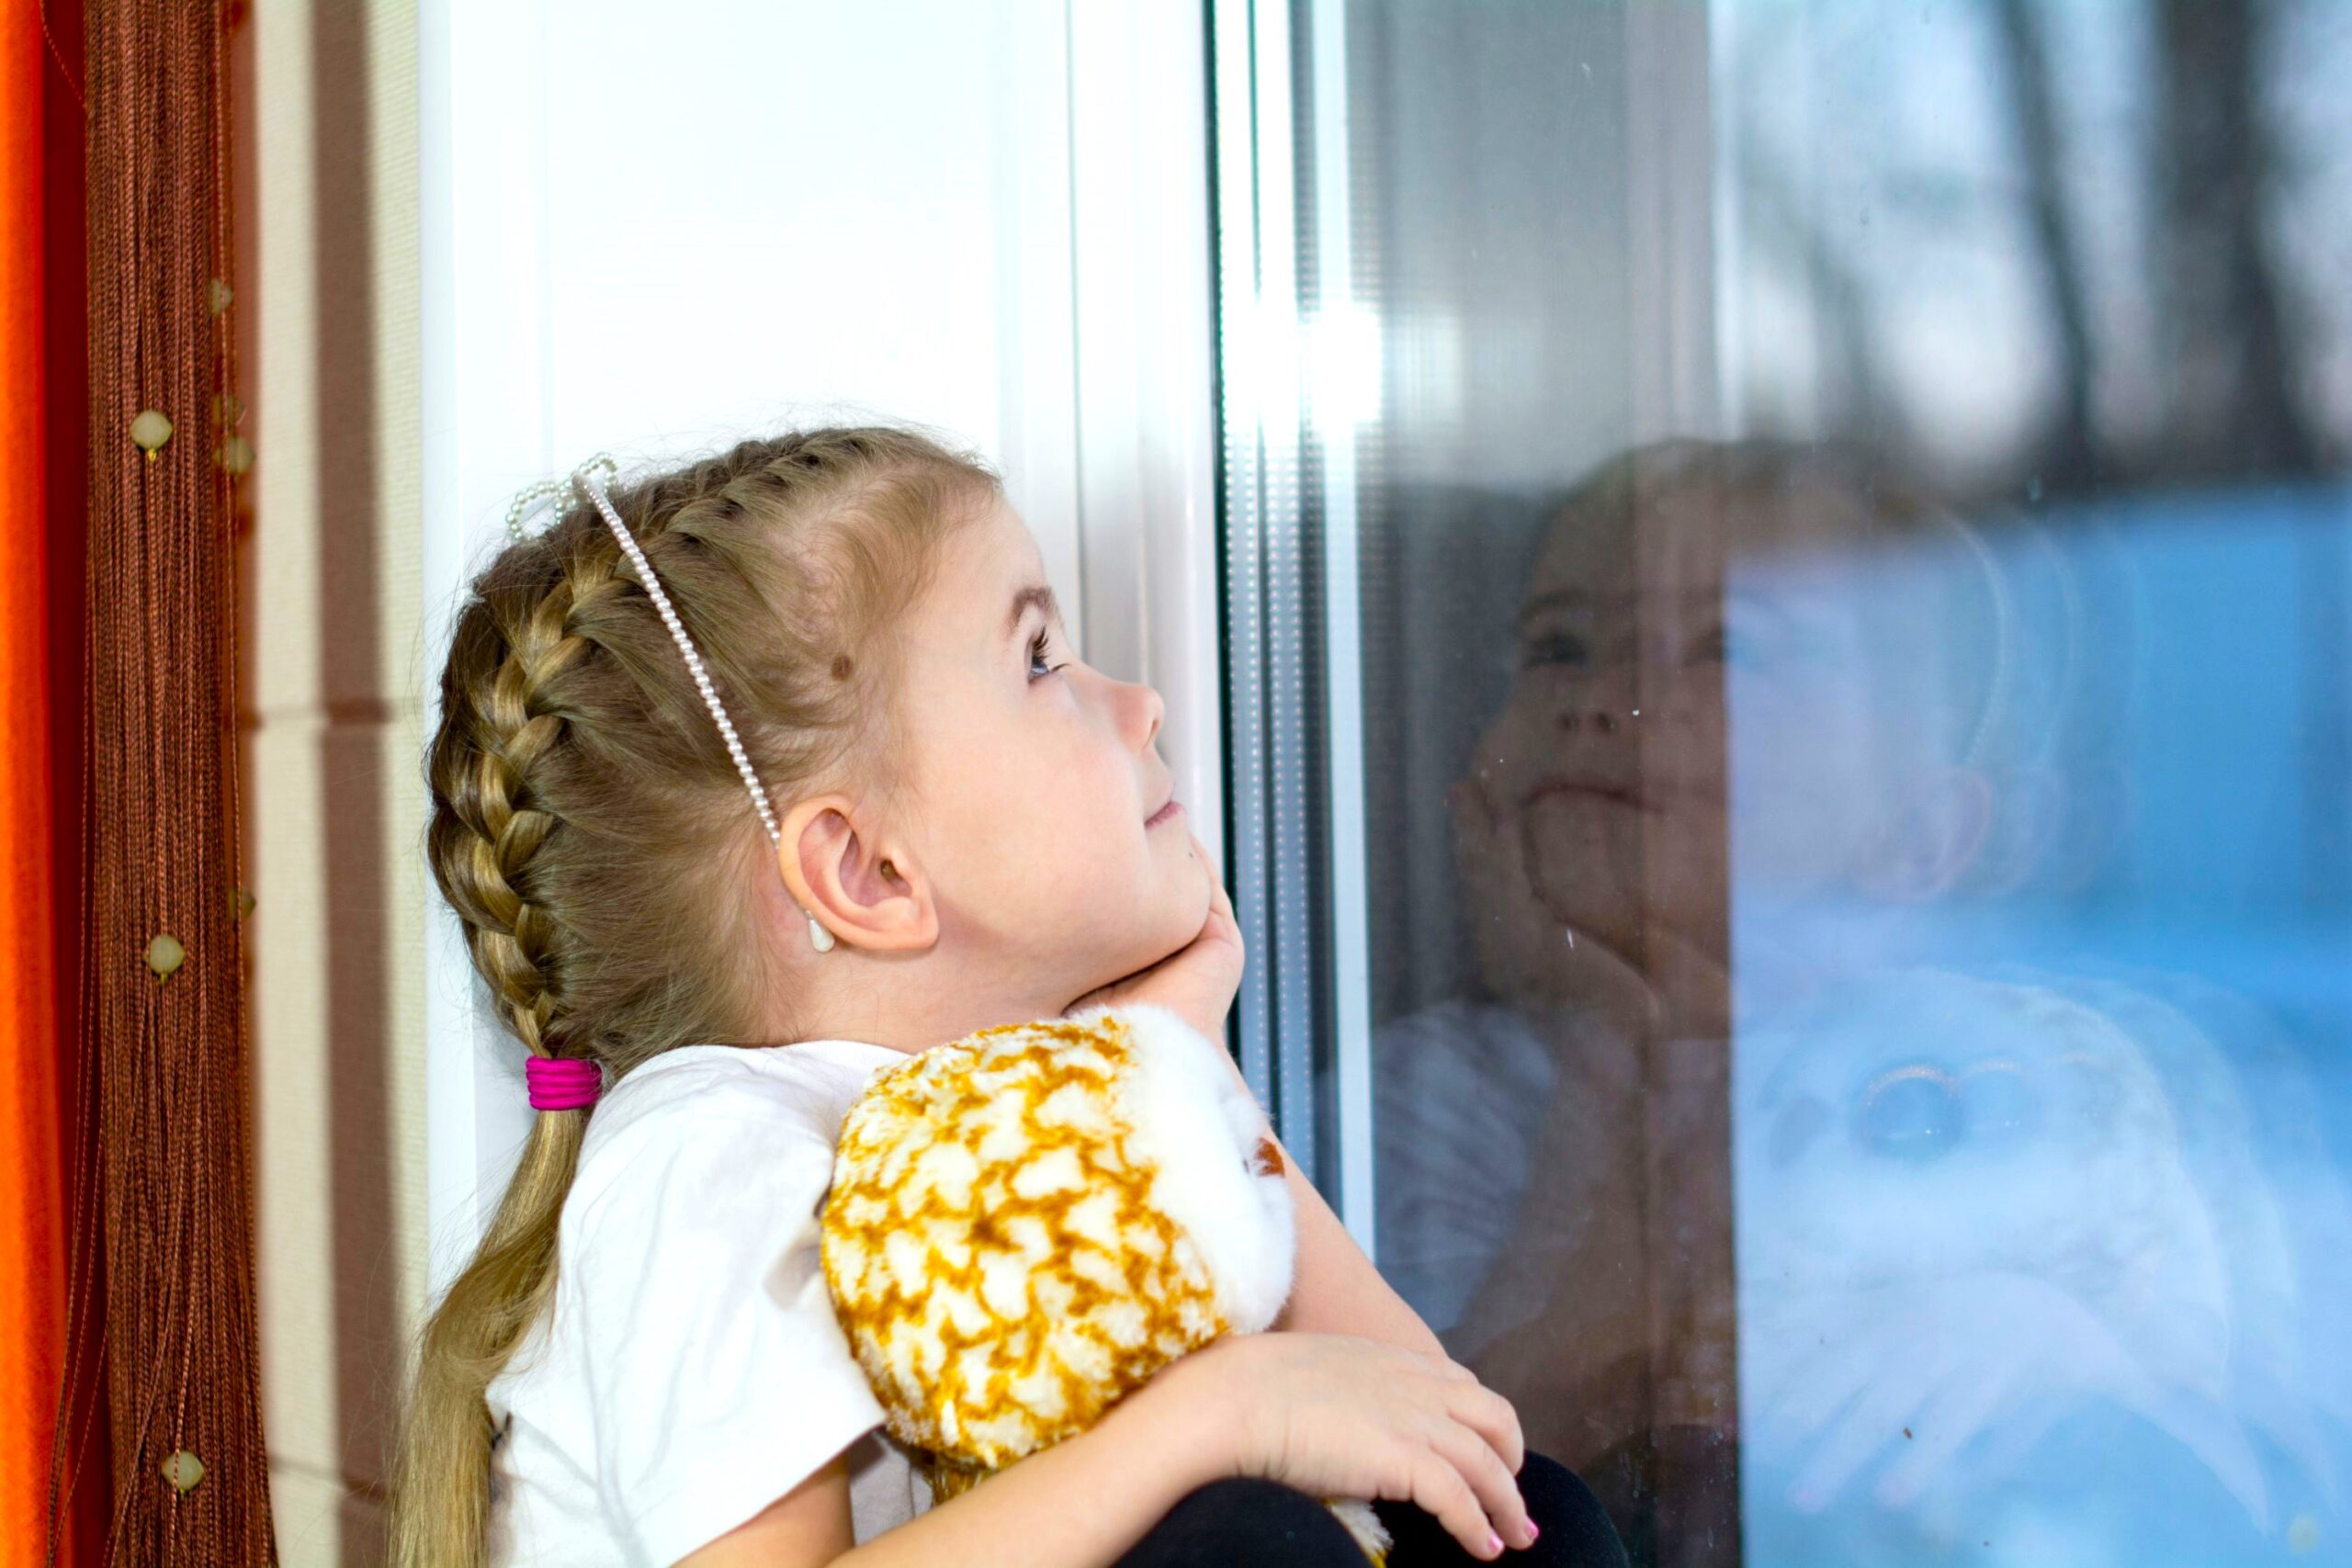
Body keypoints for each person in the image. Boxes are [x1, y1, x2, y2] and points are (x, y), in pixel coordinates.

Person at [386, 426, 1629, 1568]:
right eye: (1042, 660)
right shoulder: (703, 1156)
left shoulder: (1022, 1106)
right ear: (868, 873)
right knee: (1239, 1535)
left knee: (1539, 1520)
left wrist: (1174, 1070)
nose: (1140, 706)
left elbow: (1446, 1450)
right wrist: (1217, 1420)